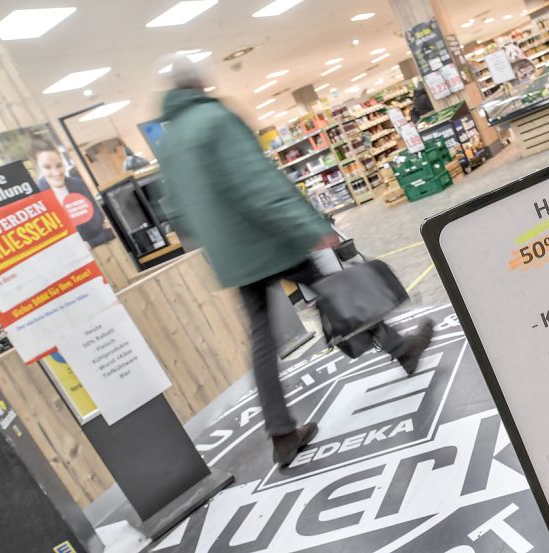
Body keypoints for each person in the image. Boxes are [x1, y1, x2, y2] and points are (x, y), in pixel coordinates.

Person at [156, 56, 435, 467]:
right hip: (266, 237)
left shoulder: (170, 141)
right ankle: (399, 347)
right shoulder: (216, 119)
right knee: (334, 288)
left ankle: (282, 434)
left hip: (232, 255)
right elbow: (257, 183)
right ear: (199, 84)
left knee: (263, 338)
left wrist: (220, 236)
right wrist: (307, 225)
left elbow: (176, 213)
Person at [31, 139, 115, 248]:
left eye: (59, 165)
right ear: (38, 168)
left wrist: (90, 243)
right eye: (47, 167)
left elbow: (108, 231)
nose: (56, 173)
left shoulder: (79, 185)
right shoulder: (36, 198)